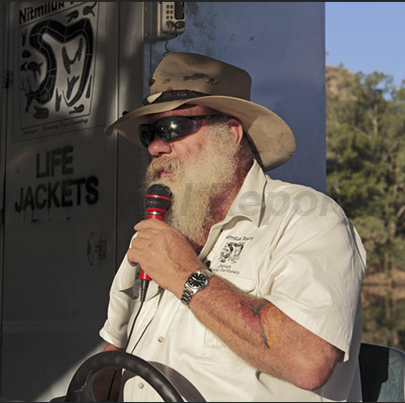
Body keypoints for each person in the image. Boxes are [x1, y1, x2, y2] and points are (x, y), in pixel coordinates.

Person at [98, 52, 366, 401]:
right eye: (150, 132)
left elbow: (306, 360)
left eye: (173, 128)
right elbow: (113, 352)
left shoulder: (309, 218)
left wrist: (183, 274)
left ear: (231, 133)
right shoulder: (156, 233)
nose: (155, 147)